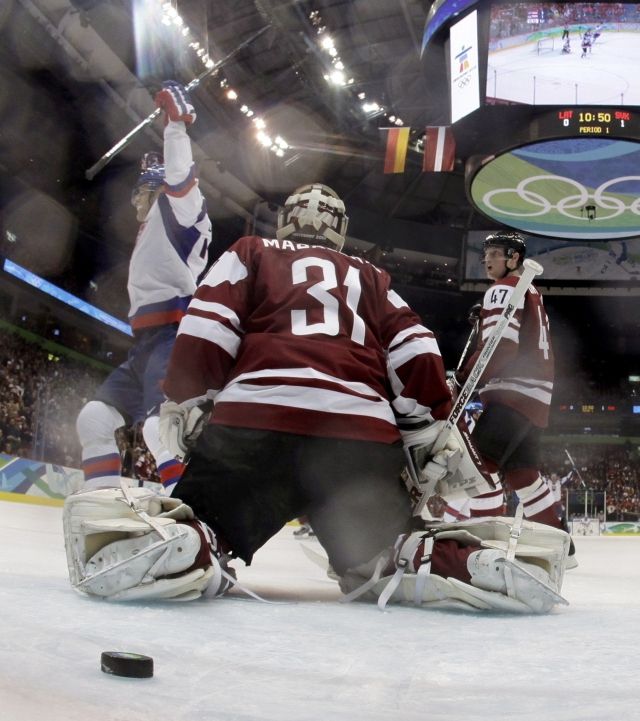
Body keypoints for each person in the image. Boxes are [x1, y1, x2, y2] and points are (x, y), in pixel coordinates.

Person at [63, 188, 570, 612]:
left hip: (255, 431)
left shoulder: (250, 251)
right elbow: (417, 351)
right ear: (341, 231)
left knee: (204, 525)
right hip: (357, 446)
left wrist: (189, 398)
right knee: (383, 554)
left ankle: (182, 546)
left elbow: (205, 329)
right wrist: (425, 426)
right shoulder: (373, 278)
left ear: (286, 222)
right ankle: (449, 560)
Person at [75, 80, 213, 495]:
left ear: (152, 190)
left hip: (174, 337)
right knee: (95, 419)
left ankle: (194, 520)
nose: (134, 202)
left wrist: (175, 128)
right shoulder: (159, 220)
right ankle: (102, 508)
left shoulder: (178, 208)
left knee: (160, 428)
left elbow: (181, 177)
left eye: (140, 192)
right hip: (147, 344)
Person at [449, 231, 577, 567]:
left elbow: (501, 347)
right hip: (534, 397)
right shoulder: (530, 291)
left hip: (511, 395)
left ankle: (482, 549)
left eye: (494, 253)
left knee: (479, 469)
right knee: (524, 477)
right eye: (485, 253)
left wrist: (462, 380)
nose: (486, 259)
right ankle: (563, 546)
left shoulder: (504, 288)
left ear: (514, 258)